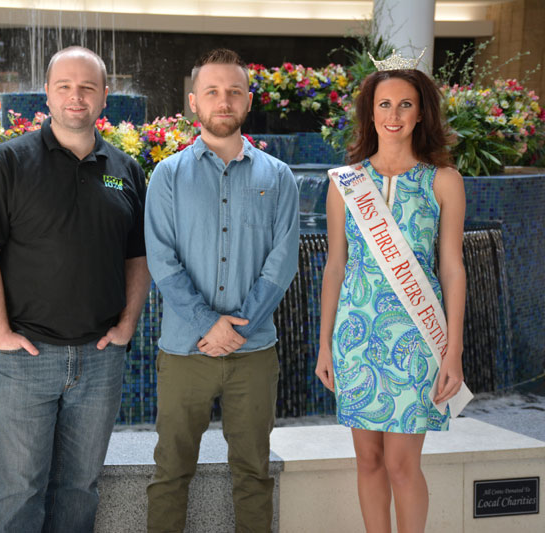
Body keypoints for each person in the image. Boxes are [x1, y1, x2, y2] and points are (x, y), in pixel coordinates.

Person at [0, 46, 150, 533]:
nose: (76, 96)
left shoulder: (125, 170)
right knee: (19, 490)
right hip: (25, 359)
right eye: (65, 86)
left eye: (87, 87)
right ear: (47, 93)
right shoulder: (8, 162)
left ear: (104, 96)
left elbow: (138, 257)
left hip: (99, 359)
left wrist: (127, 324)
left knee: (79, 489)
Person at [144, 48, 300, 532]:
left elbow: (283, 261)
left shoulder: (279, 178)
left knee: (254, 473)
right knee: (170, 472)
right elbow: (162, 260)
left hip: (253, 352)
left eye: (234, 91)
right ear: (194, 102)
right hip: (185, 351)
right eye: (212, 91)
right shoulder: (167, 176)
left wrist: (239, 326)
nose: (223, 100)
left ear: (248, 101)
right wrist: (207, 323)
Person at [315, 57, 470, 533]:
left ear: (421, 113)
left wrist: (454, 349)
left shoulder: (443, 181)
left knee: (403, 464)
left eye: (406, 104)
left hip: (418, 339)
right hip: (356, 339)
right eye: (385, 104)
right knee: (368, 462)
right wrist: (325, 343)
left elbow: (451, 266)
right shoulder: (345, 184)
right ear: (371, 112)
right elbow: (336, 265)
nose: (395, 114)